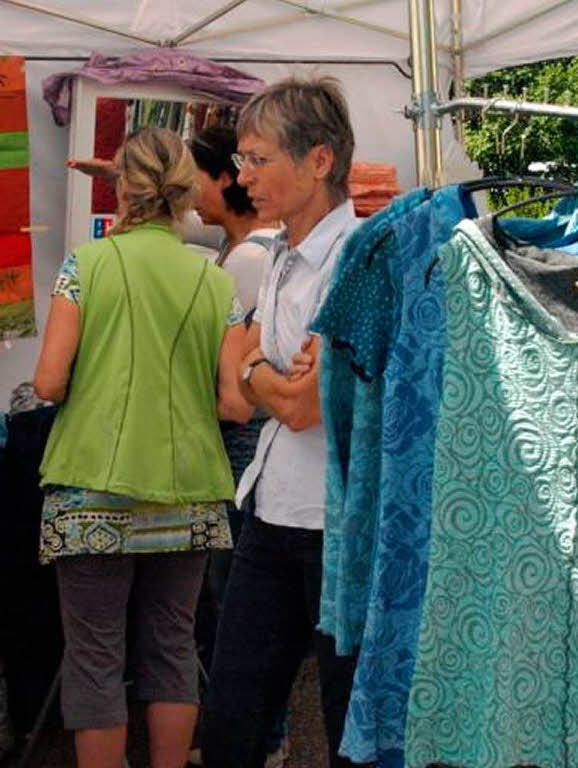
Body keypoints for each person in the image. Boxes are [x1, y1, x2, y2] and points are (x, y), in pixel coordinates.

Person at [34, 126, 252, 768]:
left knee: (96, 655)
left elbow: (48, 381)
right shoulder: (216, 282)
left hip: (91, 489)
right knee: (172, 648)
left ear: (120, 191)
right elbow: (235, 405)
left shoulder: (86, 264)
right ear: (187, 190)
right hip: (188, 491)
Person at [200, 77, 364, 768]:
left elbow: (303, 405)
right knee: (233, 720)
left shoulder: (356, 258)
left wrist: (252, 367)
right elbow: (238, 393)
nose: (244, 177)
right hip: (271, 510)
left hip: (337, 527)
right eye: (240, 161)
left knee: (349, 724)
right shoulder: (277, 253)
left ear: (319, 160)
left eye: (259, 159)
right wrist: (261, 370)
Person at [187, 126, 290, 768]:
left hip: (241, 441)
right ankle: (258, 737)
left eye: (192, 178)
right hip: (251, 438)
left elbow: (237, 375)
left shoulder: (250, 258)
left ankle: (262, 741)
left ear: (225, 177)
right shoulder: (247, 250)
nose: (187, 195)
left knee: (241, 604)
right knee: (244, 602)